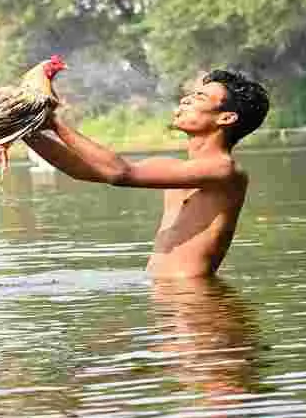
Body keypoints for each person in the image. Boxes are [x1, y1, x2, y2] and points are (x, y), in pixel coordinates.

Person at [23, 69, 269, 278]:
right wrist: (26, 131)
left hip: (197, 305)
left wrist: (55, 123)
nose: (185, 100)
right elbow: (81, 170)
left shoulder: (224, 170)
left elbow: (120, 173)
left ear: (226, 117)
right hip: (171, 300)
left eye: (200, 97)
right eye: (190, 95)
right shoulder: (173, 168)